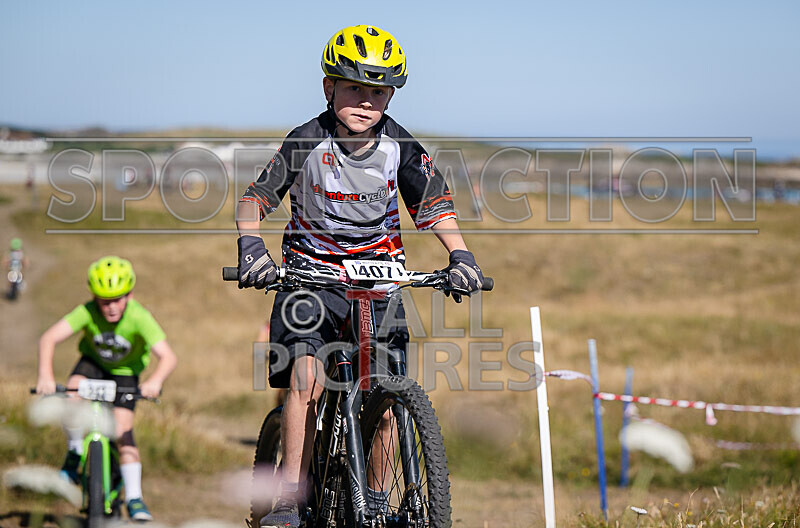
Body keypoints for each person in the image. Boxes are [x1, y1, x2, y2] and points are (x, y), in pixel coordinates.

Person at [235, 25, 486, 528]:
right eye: (354, 88)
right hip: (310, 278)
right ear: (328, 88)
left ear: (391, 96)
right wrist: (251, 246)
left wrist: (462, 257)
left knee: (389, 399)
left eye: (377, 92)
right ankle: (288, 500)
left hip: (380, 281)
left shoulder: (400, 145)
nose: (366, 102)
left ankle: (371, 504)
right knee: (306, 378)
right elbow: (254, 201)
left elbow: (433, 206)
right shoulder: (308, 139)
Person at [35, 256, 177, 522]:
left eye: (117, 299)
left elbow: (168, 357)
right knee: (72, 394)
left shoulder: (139, 317)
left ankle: (134, 497)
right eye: (104, 301)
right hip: (92, 365)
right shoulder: (86, 311)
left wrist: (155, 381)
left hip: (125, 374)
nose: (111, 307)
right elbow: (49, 338)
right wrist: (45, 375)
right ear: (94, 297)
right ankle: (75, 452)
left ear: (129, 295)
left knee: (123, 432)